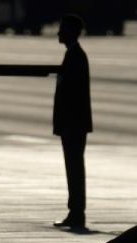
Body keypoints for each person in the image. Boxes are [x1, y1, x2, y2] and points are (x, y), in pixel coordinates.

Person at [52, 14, 93, 230]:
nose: (58, 33)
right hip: (73, 124)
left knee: (75, 168)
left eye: (62, 29)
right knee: (73, 168)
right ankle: (74, 211)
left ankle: (77, 213)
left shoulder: (76, 56)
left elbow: (72, 94)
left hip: (74, 124)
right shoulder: (74, 54)